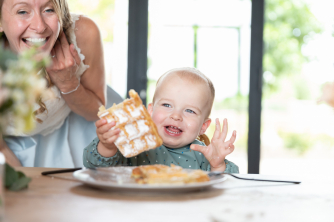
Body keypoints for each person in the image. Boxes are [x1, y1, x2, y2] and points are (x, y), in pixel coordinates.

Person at [0, 0, 107, 167]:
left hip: (69, 138)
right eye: (22, 12)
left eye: (49, 10)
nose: (40, 26)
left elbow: (97, 112)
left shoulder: (83, 33)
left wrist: (69, 84)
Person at [84, 67, 239, 173]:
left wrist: (218, 166)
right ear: (150, 111)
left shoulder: (204, 156)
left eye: (189, 110)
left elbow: (227, 187)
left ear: (203, 126)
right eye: (167, 105)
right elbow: (96, 168)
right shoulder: (134, 145)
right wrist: (107, 146)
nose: (176, 116)